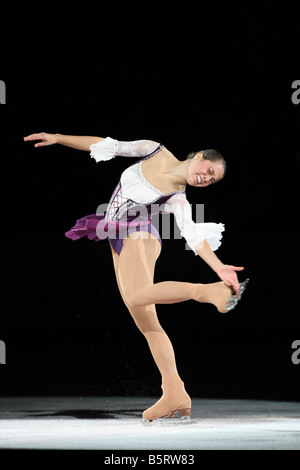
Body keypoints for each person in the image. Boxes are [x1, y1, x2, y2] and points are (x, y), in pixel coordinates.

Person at [24, 132, 248, 423]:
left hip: (140, 234)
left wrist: (219, 267)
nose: (206, 179)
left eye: (212, 180)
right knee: (147, 323)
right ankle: (175, 392)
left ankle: (209, 291)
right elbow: (107, 146)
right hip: (116, 237)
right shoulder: (153, 149)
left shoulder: (177, 199)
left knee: (135, 295)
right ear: (199, 156)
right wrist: (58, 138)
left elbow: (193, 236)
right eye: (208, 171)